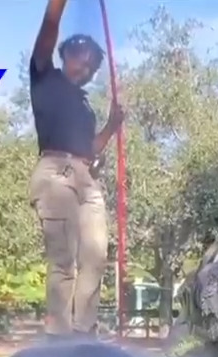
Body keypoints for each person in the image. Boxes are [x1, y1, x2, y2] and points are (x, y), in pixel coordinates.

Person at [28, 0, 124, 338]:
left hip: (86, 177)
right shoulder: (44, 75)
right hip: (55, 173)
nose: (83, 70)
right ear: (65, 54)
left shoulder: (85, 106)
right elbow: (50, 24)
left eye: (90, 68)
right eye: (79, 61)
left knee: (96, 256)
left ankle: (85, 331)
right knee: (63, 259)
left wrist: (111, 126)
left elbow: (90, 148)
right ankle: (59, 335)